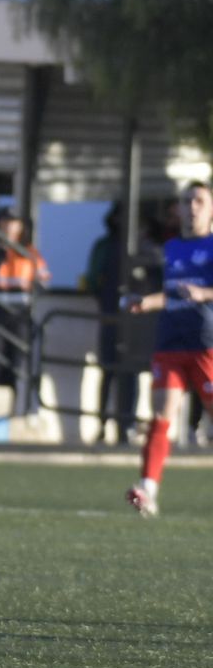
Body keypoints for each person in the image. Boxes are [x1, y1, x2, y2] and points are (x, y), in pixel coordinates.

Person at [121, 181, 213, 517]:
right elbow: (173, 293)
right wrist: (146, 302)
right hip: (170, 342)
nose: (192, 207)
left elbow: (200, 292)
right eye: (187, 200)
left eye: (199, 201)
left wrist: (204, 295)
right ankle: (148, 489)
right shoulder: (172, 247)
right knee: (162, 415)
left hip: (206, 344)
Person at [0, 209, 49, 389]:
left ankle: (8, 411)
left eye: (14, 222)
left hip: (19, 315)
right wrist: (1, 252)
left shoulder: (30, 253)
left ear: (21, 226)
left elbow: (43, 283)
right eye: (5, 222)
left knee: (14, 365)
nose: (9, 227)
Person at [82, 203, 141, 445]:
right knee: (108, 371)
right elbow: (93, 278)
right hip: (109, 316)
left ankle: (127, 425)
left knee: (131, 372)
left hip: (135, 319)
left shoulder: (139, 246)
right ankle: (103, 424)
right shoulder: (104, 246)